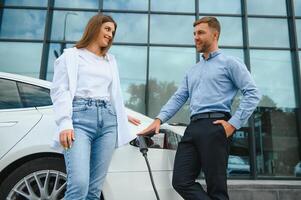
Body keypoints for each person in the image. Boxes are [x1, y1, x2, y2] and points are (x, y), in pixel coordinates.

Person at [139, 16, 261, 200]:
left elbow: (253, 93)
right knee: (180, 181)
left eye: (201, 33)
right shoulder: (192, 70)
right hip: (193, 127)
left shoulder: (230, 63)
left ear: (215, 35)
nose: (195, 37)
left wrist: (233, 124)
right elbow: (179, 97)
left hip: (216, 126)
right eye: (194, 33)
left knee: (216, 188)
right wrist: (158, 119)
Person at [50, 13, 140, 199]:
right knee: (79, 185)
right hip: (79, 120)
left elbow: (114, 94)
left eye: (113, 32)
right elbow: (60, 91)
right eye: (107, 29)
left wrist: (123, 114)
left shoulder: (110, 61)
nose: (110, 34)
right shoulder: (71, 56)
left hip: (108, 122)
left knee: (94, 190)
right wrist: (65, 123)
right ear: (94, 27)